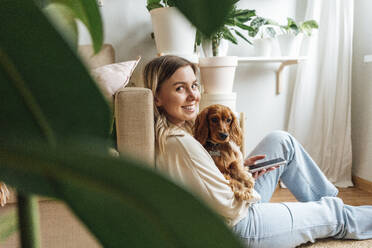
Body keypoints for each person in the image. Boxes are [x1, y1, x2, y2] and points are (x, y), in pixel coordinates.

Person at [143, 55, 372, 248]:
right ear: (157, 98)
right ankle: (339, 215)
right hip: (238, 228)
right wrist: (249, 185)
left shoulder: (179, 133)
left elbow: (205, 184)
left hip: (228, 210)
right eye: (180, 88)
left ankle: (334, 207)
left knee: (281, 141)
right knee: (330, 213)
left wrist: (242, 171)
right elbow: (230, 206)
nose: (193, 95)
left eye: (194, 85)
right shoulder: (181, 143)